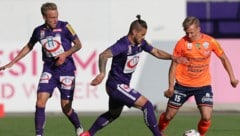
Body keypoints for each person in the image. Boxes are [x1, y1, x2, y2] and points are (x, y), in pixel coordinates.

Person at [79, 15, 179, 136]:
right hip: (116, 85)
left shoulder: (140, 44)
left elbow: (156, 52)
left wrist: (172, 57)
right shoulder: (123, 44)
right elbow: (103, 55)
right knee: (147, 105)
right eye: (142, 35)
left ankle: (88, 134)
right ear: (134, 32)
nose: (143, 38)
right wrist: (102, 73)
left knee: (113, 114)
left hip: (120, 85)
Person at [0, 2, 84, 136]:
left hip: (66, 70)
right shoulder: (39, 31)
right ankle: (39, 134)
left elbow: (79, 45)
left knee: (66, 108)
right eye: (52, 18)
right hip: (49, 70)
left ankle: (78, 126)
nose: (55, 20)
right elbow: (29, 46)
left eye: (56, 16)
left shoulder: (66, 26)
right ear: (44, 17)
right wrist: (13, 62)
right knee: (40, 101)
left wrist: (65, 54)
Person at [158, 16, 239, 136]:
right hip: (182, 86)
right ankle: (158, 131)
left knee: (206, 117)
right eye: (186, 33)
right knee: (169, 115)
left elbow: (224, 58)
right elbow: (173, 65)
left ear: (198, 29)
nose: (189, 35)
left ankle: (200, 135)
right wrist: (171, 87)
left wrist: (232, 78)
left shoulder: (210, 42)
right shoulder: (181, 43)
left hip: (203, 85)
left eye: (191, 32)